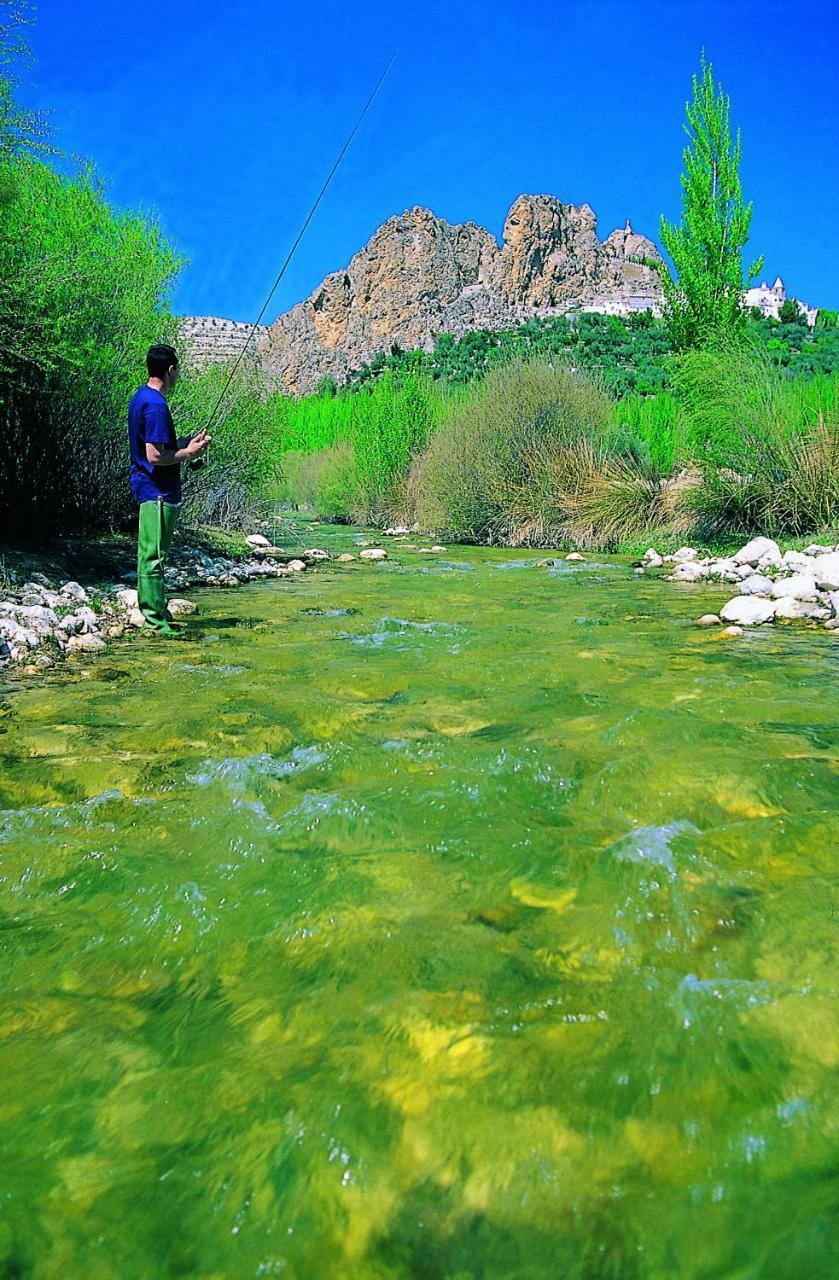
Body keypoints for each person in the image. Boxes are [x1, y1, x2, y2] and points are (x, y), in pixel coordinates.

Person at [128, 344, 211, 635]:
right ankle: (155, 621)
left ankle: (157, 610)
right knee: (153, 556)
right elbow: (153, 455)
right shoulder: (156, 405)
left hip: (151, 489)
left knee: (152, 554)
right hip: (157, 493)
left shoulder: (141, 397)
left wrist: (187, 444)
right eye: (177, 371)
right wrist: (190, 454)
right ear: (170, 370)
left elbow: (158, 447)